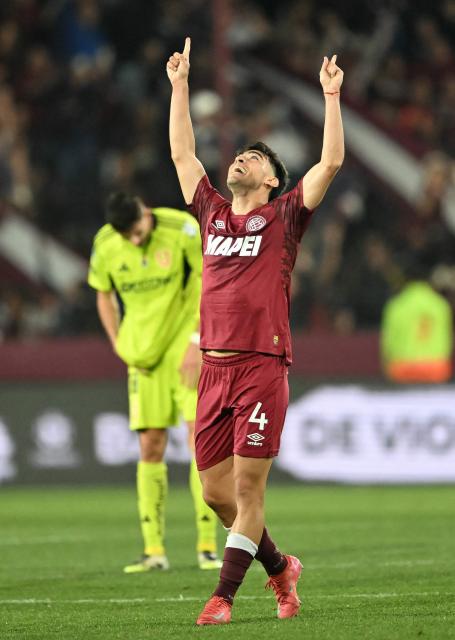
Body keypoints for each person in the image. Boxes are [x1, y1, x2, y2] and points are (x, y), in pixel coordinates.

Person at [167, 38, 344, 624]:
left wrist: (332, 97)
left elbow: (331, 164)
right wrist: (180, 86)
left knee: (247, 492)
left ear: (271, 181)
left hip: (261, 367)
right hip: (212, 369)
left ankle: (222, 597)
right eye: (239, 155)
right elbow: (183, 156)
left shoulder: (285, 217)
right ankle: (280, 568)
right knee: (217, 495)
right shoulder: (212, 212)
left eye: (254, 157)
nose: (241, 159)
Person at [87, 192, 222, 572]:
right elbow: (103, 295)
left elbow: (208, 282)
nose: (134, 240)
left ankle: (207, 546)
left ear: (145, 212)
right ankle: (154, 552)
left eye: (137, 231)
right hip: (143, 358)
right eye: (126, 235)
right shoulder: (105, 243)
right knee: (150, 445)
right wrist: (118, 343)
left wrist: (198, 341)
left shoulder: (181, 228)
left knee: (201, 440)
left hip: (185, 350)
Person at [381, 265, 453, 383]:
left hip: (403, 370)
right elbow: (449, 341)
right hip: (437, 369)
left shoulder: (395, 306)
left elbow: (387, 345)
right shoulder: (441, 305)